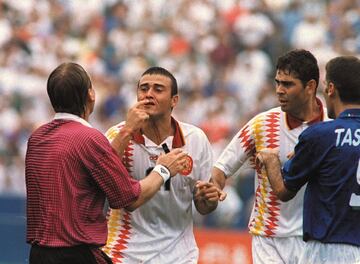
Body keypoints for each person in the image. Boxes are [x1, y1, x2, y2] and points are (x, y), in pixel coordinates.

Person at [25, 62, 187, 264]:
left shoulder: (37, 138)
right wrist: (163, 169)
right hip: (77, 255)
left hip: (38, 254)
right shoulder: (89, 138)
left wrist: (127, 130)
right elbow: (129, 197)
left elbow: (94, 167)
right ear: (91, 94)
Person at [211, 49, 329, 263]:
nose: (279, 91)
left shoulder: (331, 128)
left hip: (314, 238)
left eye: (288, 84)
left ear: (310, 86)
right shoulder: (262, 124)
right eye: (277, 83)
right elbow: (221, 168)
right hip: (268, 238)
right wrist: (214, 188)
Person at [102, 66, 221, 264]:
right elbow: (106, 184)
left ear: (175, 100)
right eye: (143, 89)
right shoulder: (118, 135)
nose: (148, 94)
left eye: (158, 89)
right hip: (125, 253)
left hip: (180, 255)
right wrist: (127, 131)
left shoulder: (196, 139)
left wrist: (208, 199)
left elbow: (204, 206)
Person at [258, 56, 360, 263]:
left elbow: (283, 191)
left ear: (331, 89)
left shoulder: (321, 135)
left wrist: (270, 160)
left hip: (327, 249)